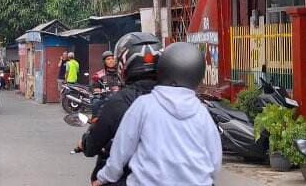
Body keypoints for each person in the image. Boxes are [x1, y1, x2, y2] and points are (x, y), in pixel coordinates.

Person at [94, 42, 222, 186]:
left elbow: (121, 151)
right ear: (198, 76)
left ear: (161, 70)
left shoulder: (144, 105)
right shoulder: (202, 113)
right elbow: (215, 162)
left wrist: (104, 177)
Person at [79, 32, 162, 184]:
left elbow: (93, 146)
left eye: (113, 59)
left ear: (124, 63)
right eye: (108, 59)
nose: (111, 62)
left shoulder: (119, 103)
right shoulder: (177, 99)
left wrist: (86, 142)